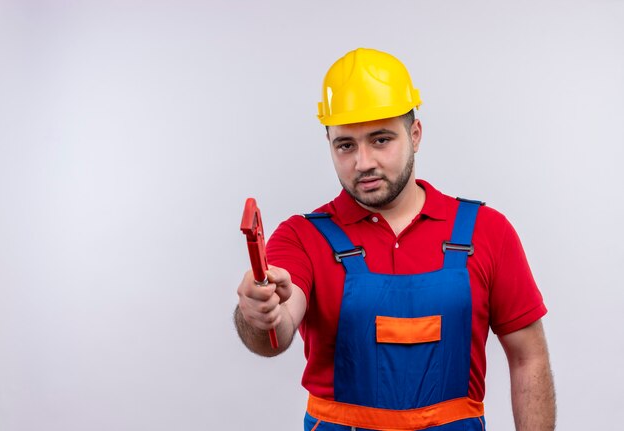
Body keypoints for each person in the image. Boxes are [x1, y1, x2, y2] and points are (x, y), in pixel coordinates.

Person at [234, 47, 555, 430]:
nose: (363, 162)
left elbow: (528, 359)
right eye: (346, 145)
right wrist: (259, 313)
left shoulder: (487, 231)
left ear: (415, 134)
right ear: (330, 145)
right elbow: (277, 329)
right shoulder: (303, 237)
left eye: (381, 139)